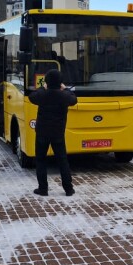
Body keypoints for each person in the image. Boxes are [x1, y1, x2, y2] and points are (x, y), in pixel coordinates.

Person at [30, 68, 78, 197]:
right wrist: (65, 88)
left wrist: (42, 88)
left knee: (40, 160)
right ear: (60, 82)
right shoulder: (64, 96)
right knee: (62, 160)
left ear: (46, 82)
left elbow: (32, 97)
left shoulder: (42, 95)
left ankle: (43, 189)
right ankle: (68, 189)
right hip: (58, 133)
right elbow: (74, 99)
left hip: (42, 133)